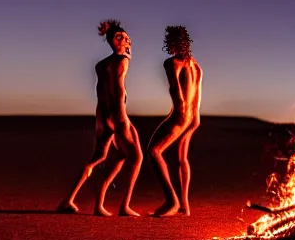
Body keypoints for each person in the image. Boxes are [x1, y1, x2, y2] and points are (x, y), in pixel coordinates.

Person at [58, 20, 143, 216]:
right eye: (121, 37)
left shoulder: (100, 65)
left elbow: (101, 92)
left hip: (102, 116)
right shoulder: (122, 61)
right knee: (136, 156)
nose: (126, 40)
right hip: (118, 114)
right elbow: (118, 90)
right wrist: (120, 118)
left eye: (126, 37)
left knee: (102, 157)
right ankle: (124, 205)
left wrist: (103, 120)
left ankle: (71, 200)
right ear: (115, 40)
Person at [148, 26, 202, 217]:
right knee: (182, 157)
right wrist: (194, 120)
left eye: (169, 41)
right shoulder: (196, 66)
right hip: (192, 118)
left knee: (154, 151)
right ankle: (184, 206)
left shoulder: (171, 63)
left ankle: (171, 200)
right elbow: (197, 99)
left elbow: (176, 91)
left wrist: (179, 116)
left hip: (180, 116)